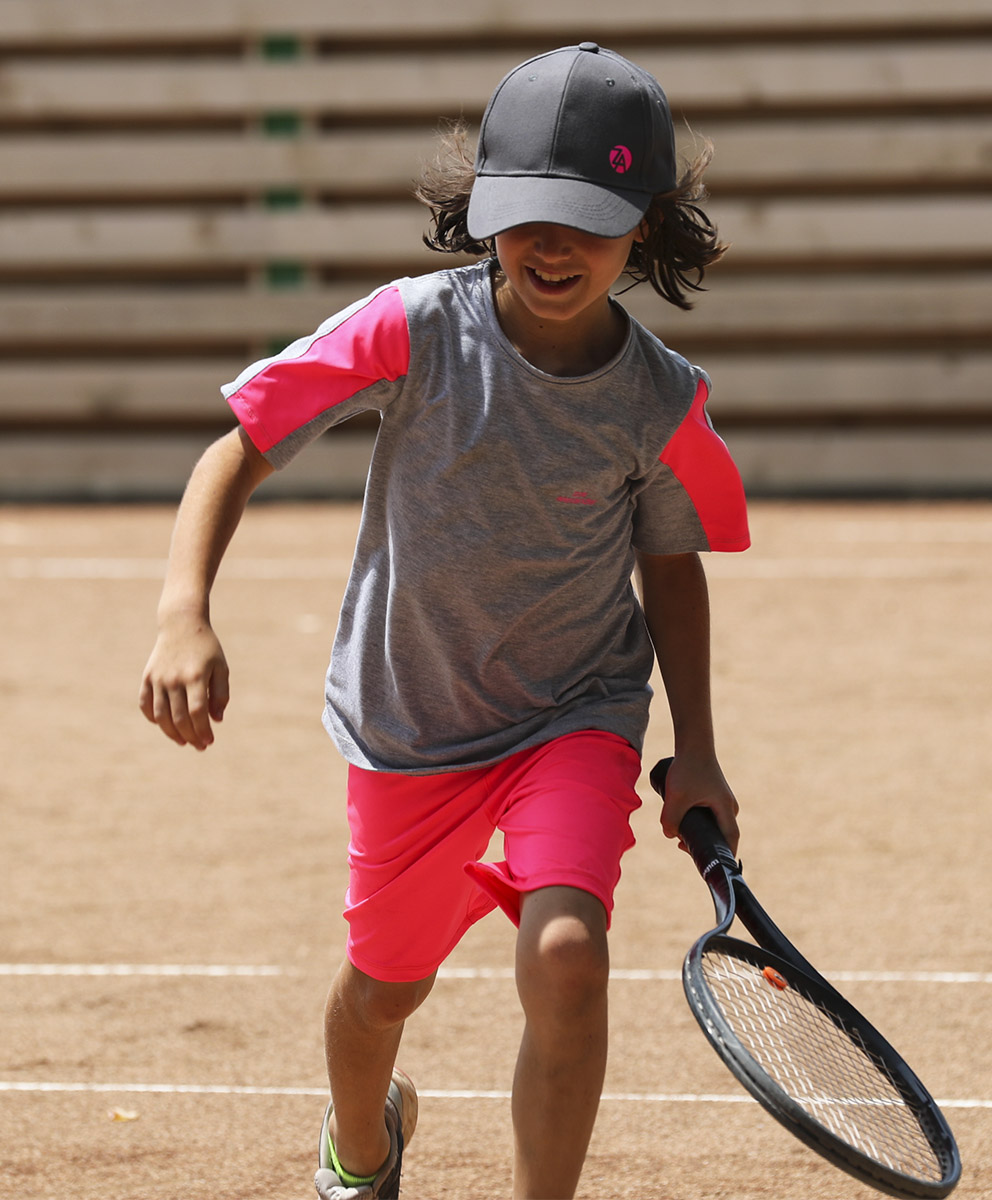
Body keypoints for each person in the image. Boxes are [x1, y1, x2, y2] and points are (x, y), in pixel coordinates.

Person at [139, 42, 749, 1200]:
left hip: (574, 712)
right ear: (480, 209)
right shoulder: (410, 328)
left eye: (586, 218)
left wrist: (700, 747)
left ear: (647, 223)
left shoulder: (662, 401)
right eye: (522, 215)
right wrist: (185, 613)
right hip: (408, 722)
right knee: (382, 990)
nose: (549, 247)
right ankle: (361, 1144)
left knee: (567, 958)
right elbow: (241, 447)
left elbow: (671, 567)